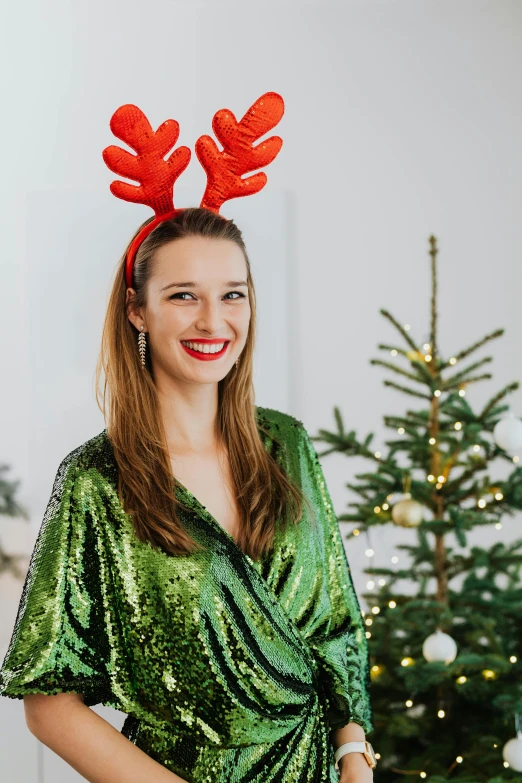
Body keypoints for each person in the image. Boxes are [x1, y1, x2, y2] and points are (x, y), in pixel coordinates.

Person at [0, 95, 375, 783]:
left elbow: (336, 628)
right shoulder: (95, 479)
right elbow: (47, 699)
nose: (213, 319)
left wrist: (354, 754)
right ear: (137, 309)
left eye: (233, 293)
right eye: (183, 295)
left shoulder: (285, 444)